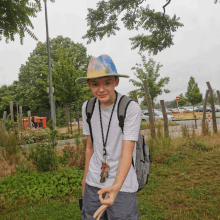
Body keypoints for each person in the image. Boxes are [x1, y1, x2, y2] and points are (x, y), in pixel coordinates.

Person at [76, 55, 141, 220]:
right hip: (93, 183)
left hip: (123, 185)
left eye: (107, 82)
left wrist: (116, 187)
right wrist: (85, 179)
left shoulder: (130, 108)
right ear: (89, 85)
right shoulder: (88, 107)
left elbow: (127, 150)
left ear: (116, 82)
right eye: (95, 84)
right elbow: (90, 146)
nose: (101, 89)